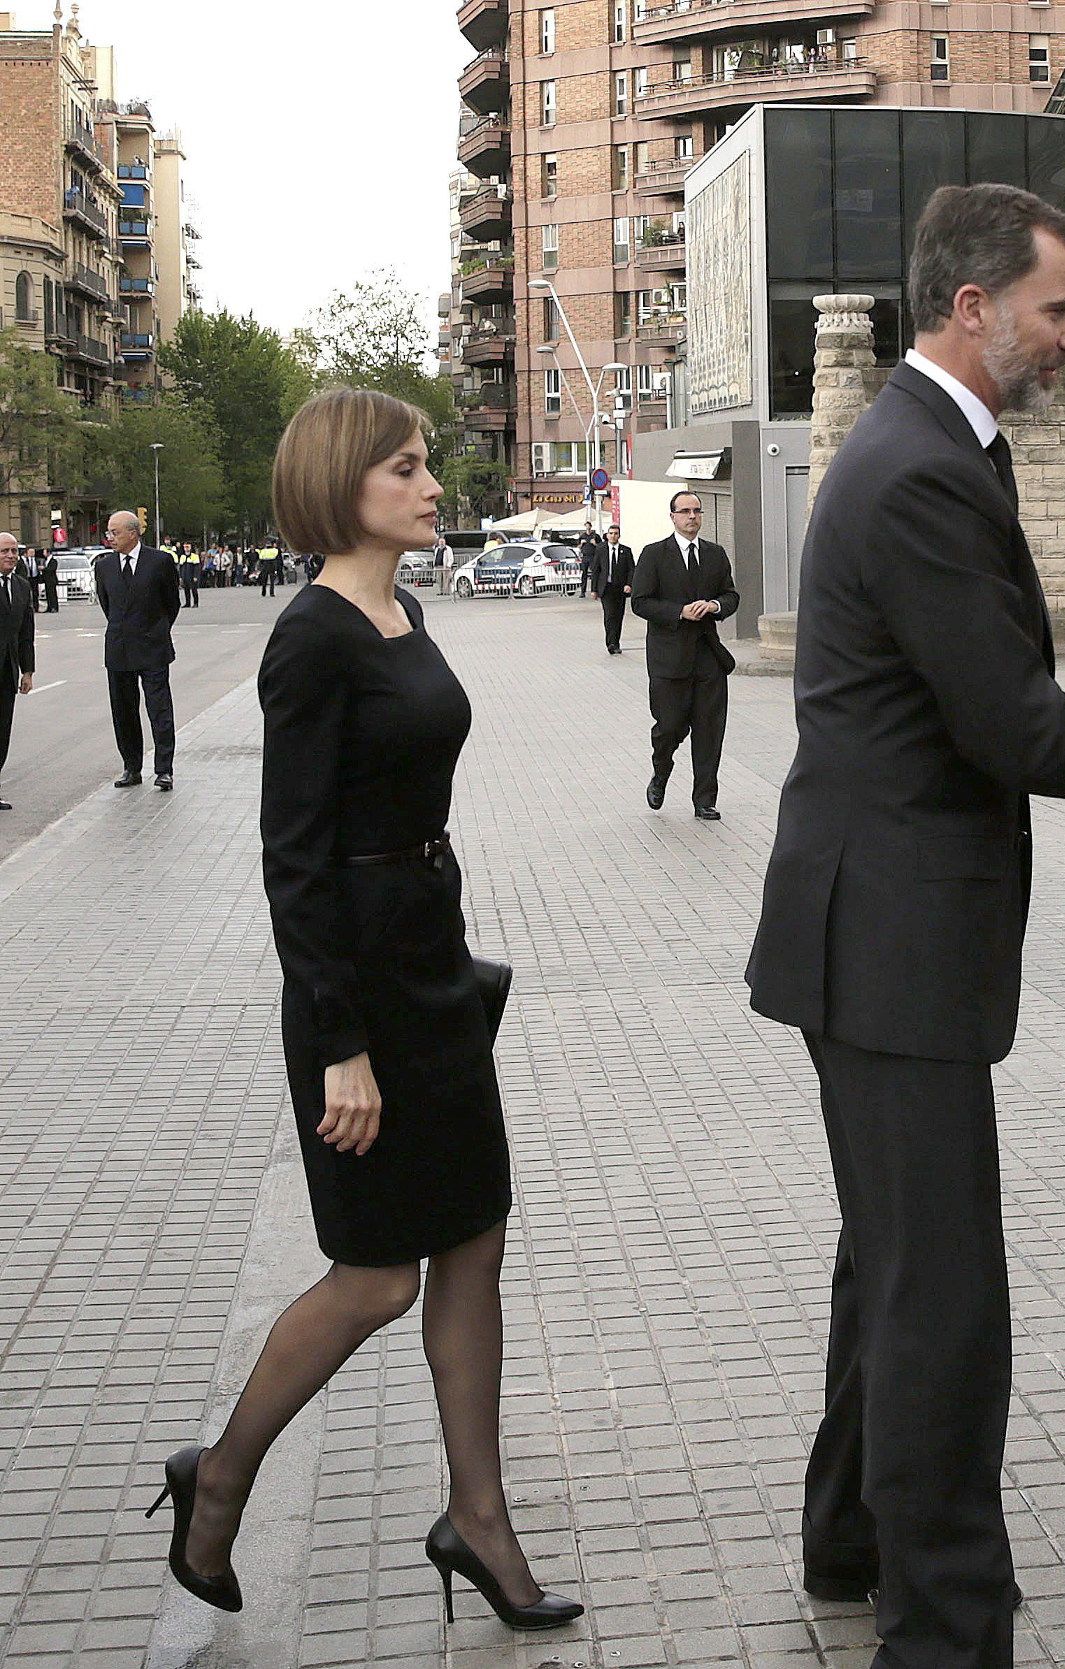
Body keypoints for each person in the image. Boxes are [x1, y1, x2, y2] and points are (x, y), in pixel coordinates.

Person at [745, 183, 1065, 1669]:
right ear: (971, 308)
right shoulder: (926, 469)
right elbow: (1009, 722)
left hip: (869, 936)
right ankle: (941, 1627)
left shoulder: (917, 444)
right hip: (891, 945)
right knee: (943, 1290)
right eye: (1059, 309)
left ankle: (849, 1539)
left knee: (888, 1259)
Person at [148, 389, 582, 1633]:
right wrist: (340, 1043)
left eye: (427, 464)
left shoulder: (402, 607)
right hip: (362, 995)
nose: (432, 484)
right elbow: (295, 857)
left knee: (476, 1237)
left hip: (432, 966)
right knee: (380, 1275)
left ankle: (479, 1518)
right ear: (348, 488)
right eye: (407, 467)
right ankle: (219, 1474)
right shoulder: (312, 637)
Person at [632, 493, 735, 818]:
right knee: (670, 727)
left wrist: (715, 606)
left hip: (708, 660)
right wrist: (679, 612)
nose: (692, 516)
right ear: (673, 516)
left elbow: (730, 595)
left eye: (696, 511)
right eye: (685, 511)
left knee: (709, 731)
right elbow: (640, 602)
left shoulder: (715, 554)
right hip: (669, 661)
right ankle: (660, 773)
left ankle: (704, 800)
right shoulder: (654, 555)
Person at [95, 510, 180, 792]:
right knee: (123, 711)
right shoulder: (104, 566)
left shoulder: (160, 561)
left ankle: (164, 769)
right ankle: (131, 767)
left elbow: (171, 604)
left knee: (159, 709)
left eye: (115, 532)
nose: (110, 538)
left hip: (152, 647)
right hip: (119, 649)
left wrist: (155, 629)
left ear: (133, 533)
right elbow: (108, 605)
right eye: (108, 532)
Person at [0, 535, 34, 811]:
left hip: (7, 673)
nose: (11, 555)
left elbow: (26, 635)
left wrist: (28, 671)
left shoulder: (21, 587)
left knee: (2, 732)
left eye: (14, 551)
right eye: (5, 551)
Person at [589, 526, 633, 655]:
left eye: (616, 533)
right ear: (607, 535)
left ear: (619, 535)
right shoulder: (601, 549)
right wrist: (594, 589)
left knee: (618, 616)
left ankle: (616, 642)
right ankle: (610, 643)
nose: (613, 536)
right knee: (609, 615)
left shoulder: (626, 551)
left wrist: (629, 584)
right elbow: (596, 569)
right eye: (611, 533)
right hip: (606, 587)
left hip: (620, 588)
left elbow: (631, 569)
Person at [34, 542, 59, 612]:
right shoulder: (46, 560)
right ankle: (49, 607)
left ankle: (54, 607)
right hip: (47, 580)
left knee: (52, 594)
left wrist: (43, 568)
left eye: (44, 552)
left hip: (52, 580)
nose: (43, 553)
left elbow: (52, 569)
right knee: (48, 594)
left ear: (48, 553)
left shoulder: (53, 560)